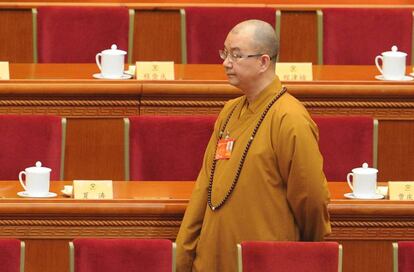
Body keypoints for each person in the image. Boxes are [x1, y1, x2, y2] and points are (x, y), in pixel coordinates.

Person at [176, 19, 331, 272]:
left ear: (263, 62)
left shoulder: (289, 118)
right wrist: (185, 255)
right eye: (225, 53)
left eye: (236, 55)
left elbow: (311, 198)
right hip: (214, 258)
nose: (226, 62)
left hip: (266, 262)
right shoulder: (229, 112)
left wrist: (307, 253)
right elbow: (205, 188)